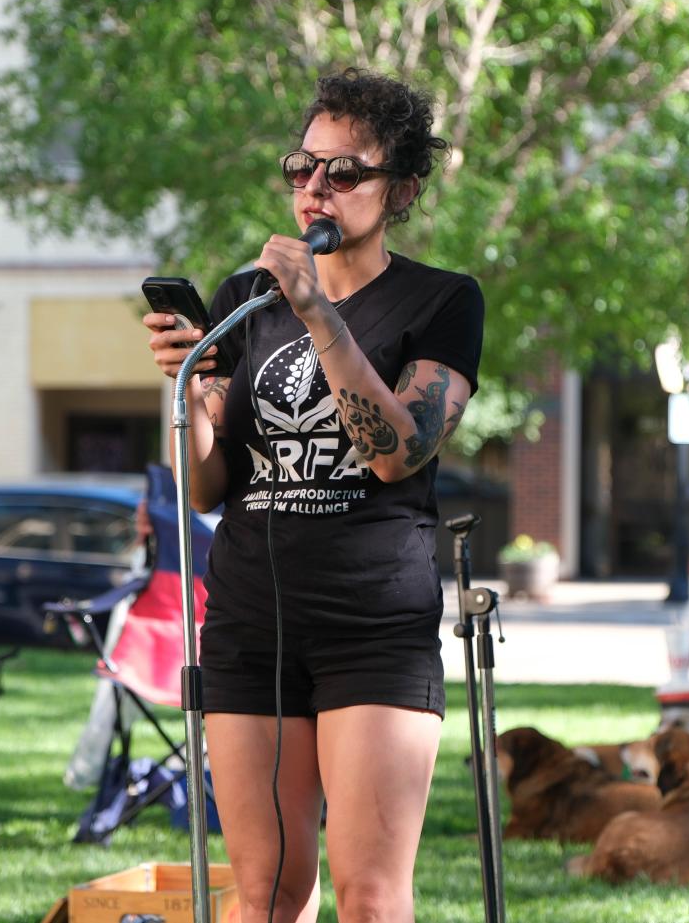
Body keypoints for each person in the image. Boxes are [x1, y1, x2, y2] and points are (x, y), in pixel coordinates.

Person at [143, 68, 483, 923]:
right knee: (265, 893)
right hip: (251, 622)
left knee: (370, 895)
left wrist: (318, 312)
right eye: (303, 167)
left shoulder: (441, 300)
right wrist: (184, 390)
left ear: (400, 188)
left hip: (371, 623)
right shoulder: (242, 302)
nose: (315, 189)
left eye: (345, 171)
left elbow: (396, 454)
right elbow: (208, 484)